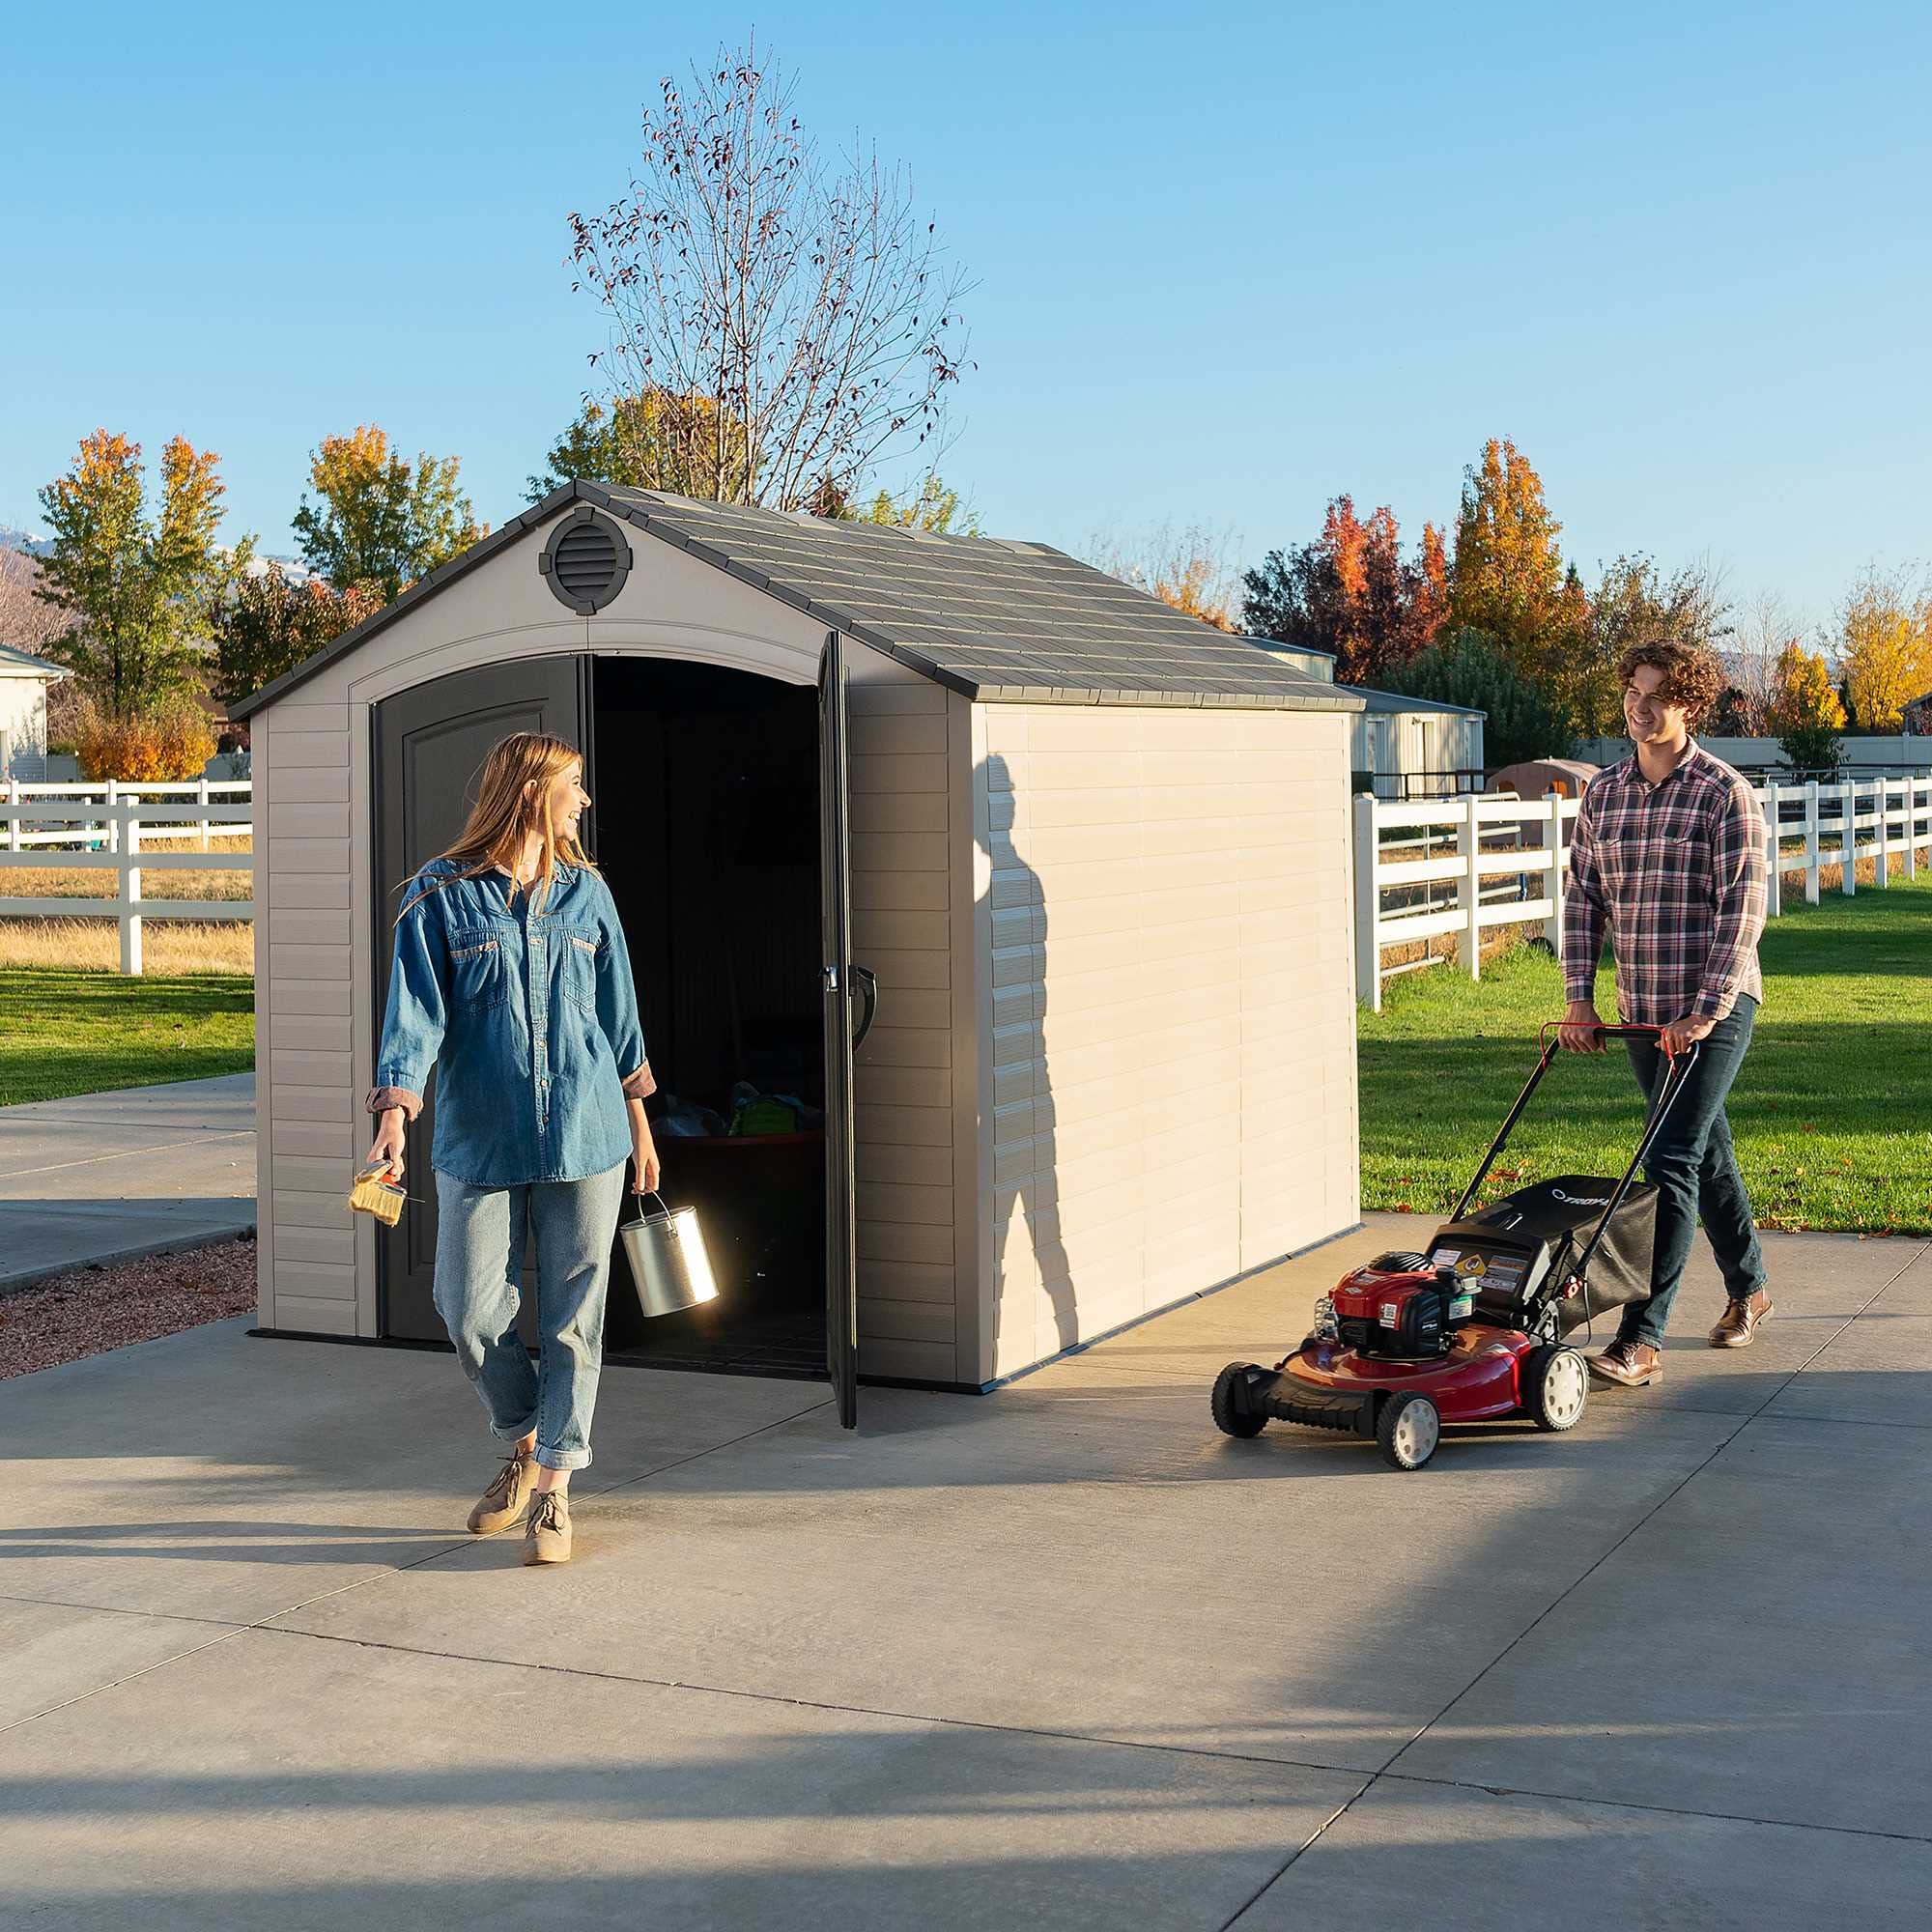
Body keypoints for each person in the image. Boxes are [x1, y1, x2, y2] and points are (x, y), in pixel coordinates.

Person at [362, 733, 660, 1564]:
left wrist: (640, 1123)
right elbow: (413, 1019)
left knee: (573, 1321)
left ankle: (555, 1492)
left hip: (587, 1131)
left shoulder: (587, 895)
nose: (585, 800)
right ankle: (531, 1434)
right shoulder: (439, 896)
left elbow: (619, 1014)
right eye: (574, 785)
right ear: (532, 791)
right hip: (479, 1136)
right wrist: (394, 1113)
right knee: (465, 1310)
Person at [1558, 640, 1771, 1387]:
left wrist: (1706, 1011)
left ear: (1688, 705)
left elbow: (1742, 911)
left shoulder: (1723, 793)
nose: (1638, 707)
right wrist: (1578, 997)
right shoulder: (1605, 795)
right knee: (1703, 1150)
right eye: (1632, 691)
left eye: (1656, 695)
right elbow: (1582, 898)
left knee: (1670, 1158)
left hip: (1714, 1006)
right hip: (1643, 1011)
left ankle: (1640, 1337)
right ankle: (1749, 1288)